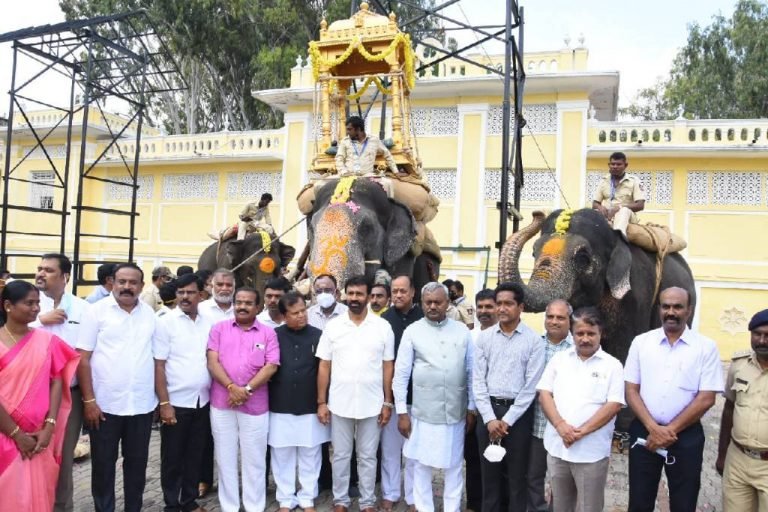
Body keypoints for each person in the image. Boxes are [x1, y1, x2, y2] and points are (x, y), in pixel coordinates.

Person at [625, 286, 723, 512]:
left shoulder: (705, 347)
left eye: (678, 307)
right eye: (666, 306)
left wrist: (669, 430)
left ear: (689, 310)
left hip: (686, 435)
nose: (671, 312)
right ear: (659, 309)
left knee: (684, 502)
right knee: (639, 501)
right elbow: (631, 390)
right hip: (645, 432)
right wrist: (653, 429)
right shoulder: (641, 342)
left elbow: (706, 398)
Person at [76, 263, 158, 512]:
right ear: (113, 282)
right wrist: (89, 401)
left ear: (141, 286)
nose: (127, 287)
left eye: (133, 282)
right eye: (122, 281)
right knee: (103, 465)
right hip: (104, 406)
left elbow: (156, 359)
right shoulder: (96, 312)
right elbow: (82, 359)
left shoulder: (150, 315)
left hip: (141, 405)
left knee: (137, 465)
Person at [394, 282, 475, 512]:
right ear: (422, 303)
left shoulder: (462, 331)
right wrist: (402, 412)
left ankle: (452, 508)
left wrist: (471, 407)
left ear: (447, 303)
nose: (432, 306)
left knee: (454, 465)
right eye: (428, 302)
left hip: (455, 412)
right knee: (421, 464)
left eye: (437, 302)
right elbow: (401, 375)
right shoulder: (413, 331)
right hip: (424, 413)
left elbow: (472, 372)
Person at [316, 275, 395, 512]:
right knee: (341, 454)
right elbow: (324, 365)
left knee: (368, 456)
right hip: (339, 402)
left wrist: (387, 402)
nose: (354, 298)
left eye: (359, 294)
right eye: (350, 293)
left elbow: (388, 366)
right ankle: (340, 500)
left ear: (368, 296)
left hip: (372, 403)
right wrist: (321, 402)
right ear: (344, 295)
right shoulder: (333, 327)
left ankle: (367, 502)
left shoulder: (382, 327)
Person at [0, 280, 79, 512]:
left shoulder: (46, 341)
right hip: (4, 436)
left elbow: (57, 381)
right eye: (29, 303)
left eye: (37, 303)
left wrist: (49, 426)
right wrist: (17, 435)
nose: (36, 308)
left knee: (39, 496)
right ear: (8, 306)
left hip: (39, 436)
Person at [537, 307, 625, 512]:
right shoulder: (559, 360)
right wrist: (560, 426)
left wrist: (580, 432)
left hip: (591, 453)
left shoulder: (613, 366)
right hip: (558, 448)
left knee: (589, 507)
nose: (585, 339)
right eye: (580, 333)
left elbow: (613, 405)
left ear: (601, 333)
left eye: (591, 333)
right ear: (572, 333)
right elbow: (544, 393)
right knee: (560, 506)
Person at [473, 282, 545, 512]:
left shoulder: (534, 341)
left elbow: (531, 386)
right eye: (499, 303)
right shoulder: (484, 338)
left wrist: (508, 420)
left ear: (520, 307)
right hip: (489, 413)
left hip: (518, 417)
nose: (502, 308)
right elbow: (478, 381)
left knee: (516, 476)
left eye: (508, 303)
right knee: (489, 475)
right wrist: (489, 419)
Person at [207, 287, 279, 512]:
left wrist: (245, 390)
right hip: (222, 403)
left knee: (255, 459)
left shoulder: (268, 333)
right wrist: (231, 387)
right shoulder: (219, 329)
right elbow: (212, 361)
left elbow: (271, 365)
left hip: (255, 405)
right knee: (225, 458)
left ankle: (254, 506)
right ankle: (229, 506)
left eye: (248, 303)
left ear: (258, 307)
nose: (242, 306)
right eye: (238, 302)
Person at [30, 253, 90, 512]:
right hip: (30, 394)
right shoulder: (27, 303)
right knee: (30, 453)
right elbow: (8, 333)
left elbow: (87, 353)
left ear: (65, 276)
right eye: (39, 268)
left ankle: (61, 507)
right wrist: (40, 321)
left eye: (48, 270)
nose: (40, 273)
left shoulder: (83, 308)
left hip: (69, 395)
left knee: (63, 458)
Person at [153, 273, 212, 512]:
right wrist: (164, 403)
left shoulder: (208, 322)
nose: (185, 297)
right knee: (172, 457)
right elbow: (159, 365)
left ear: (201, 295)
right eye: (181, 292)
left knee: (195, 455)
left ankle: (189, 501)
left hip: (203, 401)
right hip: (176, 402)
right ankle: (171, 504)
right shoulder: (165, 322)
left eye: (190, 292)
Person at [269, 291, 330, 512]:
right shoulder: (273, 335)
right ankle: (285, 499)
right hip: (280, 404)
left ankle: (307, 498)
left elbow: (325, 369)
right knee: (281, 454)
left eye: (303, 310)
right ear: (284, 316)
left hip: (310, 404)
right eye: (295, 313)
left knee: (310, 454)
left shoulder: (318, 335)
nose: (301, 315)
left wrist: (322, 403)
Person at [716, 308, 768, 511]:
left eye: (767, 335)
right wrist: (722, 454)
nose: (762, 341)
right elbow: (729, 409)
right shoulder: (739, 365)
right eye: (757, 334)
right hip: (737, 459)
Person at [380, 275, 424, 512]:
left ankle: (414, 496)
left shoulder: (424, 318)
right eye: (394, 291)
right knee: (390, 449)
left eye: (402, 291)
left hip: (420, 396)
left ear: (413, 292)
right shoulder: (384, 320)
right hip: (392, 397)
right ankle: (390, 492)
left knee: (415, 451)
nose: (398, 295)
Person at [528, 299, 574, 512]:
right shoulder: (534, 344)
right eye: (550, 316)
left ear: (569, 320)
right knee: (533, 476)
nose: (554, 321)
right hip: (536, 424)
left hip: (564, 427)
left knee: (561, 479)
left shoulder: (577, 348)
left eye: (560, 317)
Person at [196, 267, 236, 498]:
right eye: (220, 284)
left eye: (229, 285)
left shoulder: (241, 308)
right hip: (206, 380)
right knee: (205, 435)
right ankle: (203, 478)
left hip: (236, 382)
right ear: (211, 286)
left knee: (232, 436)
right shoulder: (201, 310)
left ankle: (231, 481)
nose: (224, 289)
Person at [465, 289, 497, 512]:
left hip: (496, 411)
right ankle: (474, 504)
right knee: (473, 459)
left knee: (496, 461)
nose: (484, 311)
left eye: (489, 306)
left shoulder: (503, 336)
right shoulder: (469, 336)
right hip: (471, 410)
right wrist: (470, 409)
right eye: (481, 307)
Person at [591, 151, 646, 240]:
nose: (615, 166)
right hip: (607, 215)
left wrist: (619, 207)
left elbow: (640, 205)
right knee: (590, 214)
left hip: (627, 216)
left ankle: (619, 240)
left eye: (618, 164)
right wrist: (600, 207)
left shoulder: (634, 181)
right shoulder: (603, 181)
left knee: (623, 211)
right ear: (609, 165)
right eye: (613, 164)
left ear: (625, 165)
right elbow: (595, 203)